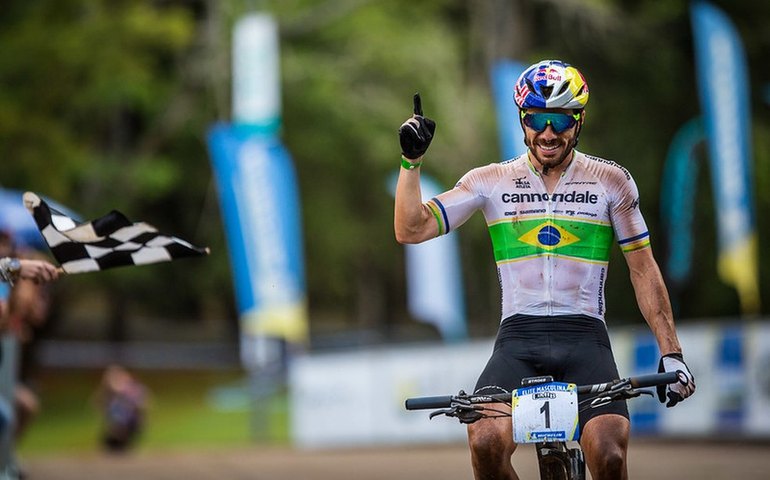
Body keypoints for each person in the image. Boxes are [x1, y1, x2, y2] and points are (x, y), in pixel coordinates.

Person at [394, 59, 695, 479]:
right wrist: (412, 161)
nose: (548, 132)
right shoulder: (491, 180)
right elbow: (411, 228)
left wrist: (672, 353)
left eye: (559, 119)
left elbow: (643, 270)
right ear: (523, 119)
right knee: (484, 441)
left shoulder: (612, 182)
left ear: (579, 120)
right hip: (517, 341)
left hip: (586, 339)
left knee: (608, 456)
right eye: (537, 118)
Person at [94, 364, 147, 453]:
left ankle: (123, 439)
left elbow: (143, 404)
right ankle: (116, 439)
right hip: (115, 424)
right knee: (112, 445)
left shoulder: (133, 389)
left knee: (121, 440)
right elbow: (98, 404)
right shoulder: (108, 394)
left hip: (129, 424)